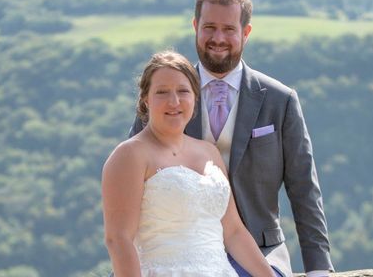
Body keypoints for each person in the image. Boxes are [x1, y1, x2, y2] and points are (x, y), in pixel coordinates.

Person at [129, 0, 333, 277]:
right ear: (195, 26)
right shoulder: (165, 95)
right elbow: (132, 178)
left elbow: (304, 189)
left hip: (259, 250)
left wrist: (319, 269)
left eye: (229, 29)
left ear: (246, 32)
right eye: (209, 27)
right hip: (177, 250)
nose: (218, 38)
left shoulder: (280, 100)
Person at [102, 50, 276, 276]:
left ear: (195, 97)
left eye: (183, 91)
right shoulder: (130, 154)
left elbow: (233, 232)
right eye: (162, 92)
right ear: (146, 99)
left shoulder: (209, 152)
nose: (174, 101)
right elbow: (118, 239)